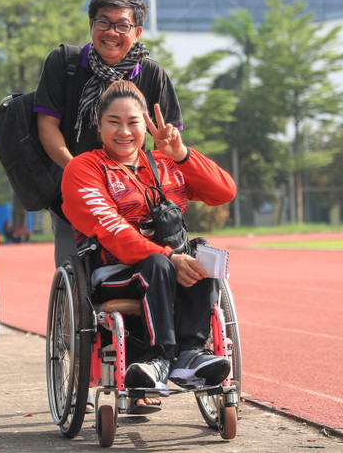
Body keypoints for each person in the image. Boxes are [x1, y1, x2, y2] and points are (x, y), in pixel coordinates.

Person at [61, 81, 236, 411]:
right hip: (115, 272)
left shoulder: (165, 164)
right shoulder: (84, 168)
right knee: (159, 265)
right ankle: (159, 358)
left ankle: (191, 354)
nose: (124, 131)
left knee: (203, 253)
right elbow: (111, 230)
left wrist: (182, 155)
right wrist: (167, 256)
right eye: (114, 122)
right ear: (98, 126)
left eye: (132, 122)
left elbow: (224, 192)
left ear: (145, 124)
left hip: (172, 265)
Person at [35, 0, 183, 266]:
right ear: (91, 25)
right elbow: (47, 127)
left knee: (153, 269)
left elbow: (169, 141)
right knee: (77, 274)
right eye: (103, 22)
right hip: (74, 194)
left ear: (137, 32)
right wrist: (81, 176)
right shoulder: (64, 64)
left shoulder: (152, 74)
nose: (111, 32)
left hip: (136, 197)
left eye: (122, 26)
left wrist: (168, 144)